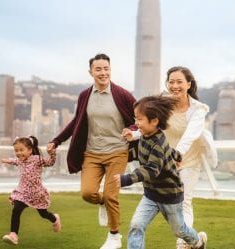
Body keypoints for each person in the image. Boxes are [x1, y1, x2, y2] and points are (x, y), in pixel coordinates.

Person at [46, 53, 137, 249]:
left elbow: (139, 121)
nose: (103, 73)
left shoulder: (123, 95)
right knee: (87, 193)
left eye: (106, 68)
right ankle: (102, 202)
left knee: (112, 195)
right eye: (98, 69)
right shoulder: (85, 96)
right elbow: (76, 122)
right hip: (92, 153)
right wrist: (57, 140)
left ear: (110, 70)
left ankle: (114, 236)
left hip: (117, 152)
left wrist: (132, 130)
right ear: (91, 72)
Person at [114, 95, 207, 249]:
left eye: (139, 119)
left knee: (179, 230)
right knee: (137, 225)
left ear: (155, 121)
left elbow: (152, 169)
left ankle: (197, 241)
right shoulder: (145, 136)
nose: (136, 123)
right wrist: (177, 155)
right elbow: (167, 150)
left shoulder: (158, 142)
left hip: (170, 196)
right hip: (151, 195)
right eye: (135, 119)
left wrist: (126, 179)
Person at [163, 66, 217, 249]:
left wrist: (177, 154)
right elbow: (147, 122)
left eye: (179, 81)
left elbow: (190, 135)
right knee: (170, 209)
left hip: (190, 160)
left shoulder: (198, 109)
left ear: (188, 84)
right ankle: (197, 241)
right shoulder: (162, 104)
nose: (175, 85)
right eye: (171, 81)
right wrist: (134, 134)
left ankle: (182, 243)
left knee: (184, 202)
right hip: (167, 163)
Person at [1, 136, 60, 245]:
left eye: (21, 150)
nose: (18, 153)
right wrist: (7, 161)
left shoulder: (37, 159)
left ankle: (55, 219)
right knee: (16, 209)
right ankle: (13, 235)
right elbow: (14, 161)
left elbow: (50, 163)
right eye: (16, 150)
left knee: (43, 214)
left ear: (30, 150)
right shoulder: (19, 160)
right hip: (22, 193)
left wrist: (52, 153)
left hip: (37, 194)